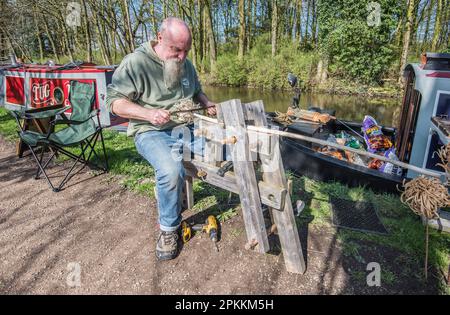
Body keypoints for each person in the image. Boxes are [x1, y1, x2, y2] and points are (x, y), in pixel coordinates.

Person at [106, 17, 217, 261]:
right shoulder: (136, 63)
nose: (181, 57)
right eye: (176, 50)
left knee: (225, 149)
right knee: (169, 170)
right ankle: (169, 229)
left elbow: (196, 90)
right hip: (150, 132)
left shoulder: (186, 64)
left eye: (186, 50)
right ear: (159, 38)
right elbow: (114, 103)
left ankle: (255, 203)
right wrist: (148, 113)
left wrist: (206, 102)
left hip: (185, 128)